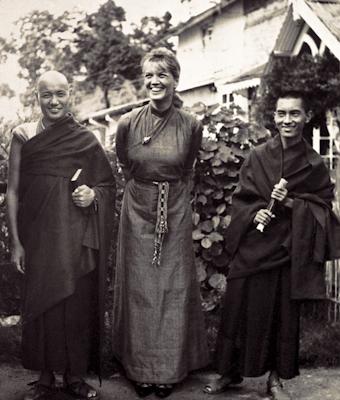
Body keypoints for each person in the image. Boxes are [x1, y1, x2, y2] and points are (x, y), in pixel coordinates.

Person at [203, 91, 340, 399]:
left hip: (288, 248)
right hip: (254, 243)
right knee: (237, 308)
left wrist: (291, 203)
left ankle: (275, 380)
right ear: (274, 116)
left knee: (282, 313)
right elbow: (242, 199)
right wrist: (255, 212)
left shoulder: (313, 163)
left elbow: (322, 208)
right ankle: (228, 372)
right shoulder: (258, 155)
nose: (287, 120)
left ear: (305, 117)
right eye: (281, 114)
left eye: (294, 114)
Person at [7, 71, 115, 400]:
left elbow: (107, 183)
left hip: (74, 236)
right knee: (41, 303)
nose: (54, 101)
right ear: (36, 98)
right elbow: (12, 191)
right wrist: (16, 242)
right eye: (46, 95)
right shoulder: (23, 135)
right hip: (37, 234)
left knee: (75, 304)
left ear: (70, 95)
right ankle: (43, 378)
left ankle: (74, 377)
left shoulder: (84, 138)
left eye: (60, 94)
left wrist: (93, 196)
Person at [112, 48, 209, 398]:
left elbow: (187, 168)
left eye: (162, 75)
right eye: (149, 74)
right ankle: (139, 370)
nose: (155, 81)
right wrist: (146, 192)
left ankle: (168, 372)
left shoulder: (190, 125)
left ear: (175, 80)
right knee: (139, 287)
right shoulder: (128, 123)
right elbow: (125, 163)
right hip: (137, 207)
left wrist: (169, 196)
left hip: (176, 208)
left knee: (173, 287)